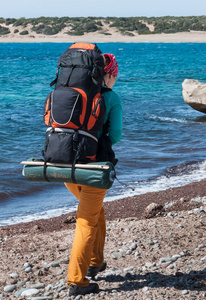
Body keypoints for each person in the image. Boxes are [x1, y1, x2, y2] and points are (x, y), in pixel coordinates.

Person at [64, 53, 122, 296]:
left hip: (65, 165)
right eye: (115, 76)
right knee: (86, 220)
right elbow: (116, 135)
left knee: (95, 210)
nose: (115, 80)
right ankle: (77, 280)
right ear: (108, 75)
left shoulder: (70, 93)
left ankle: (97, 261)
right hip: (93, 169)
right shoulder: (111, 98)